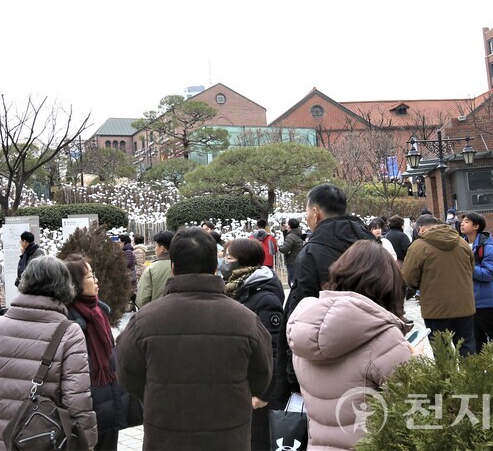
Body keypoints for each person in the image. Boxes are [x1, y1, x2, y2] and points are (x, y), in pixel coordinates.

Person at [116, 228, 272, 450]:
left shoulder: (144, 321)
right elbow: (261, 377)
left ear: (172, 267)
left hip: (166, 434)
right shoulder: (246, 320)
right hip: (229, 436)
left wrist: (157, 392)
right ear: (216, 266)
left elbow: (127, 377)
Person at [0, 256, 98, 450]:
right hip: (40, 440)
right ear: (65, 287)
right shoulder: (68, 332)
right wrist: (87, 441)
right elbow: (77, 399)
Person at [287, 240, 414, 450]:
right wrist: (415, 359)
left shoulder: (304, 328)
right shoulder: (384, 337)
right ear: (387, 283)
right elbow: (413, 401)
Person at [279, 184, 375, 399]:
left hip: (326, 357)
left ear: (315, 212)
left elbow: (301, 312)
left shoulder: (313, 252)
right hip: (372, 353)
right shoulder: (372, 244)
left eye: (306, 212)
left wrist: (292, 373)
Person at [222, 237, 286, 451]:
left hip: (257, 391)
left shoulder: (264, 297)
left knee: (257, 442)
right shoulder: (235, 289)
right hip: (239, 386)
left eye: (229, 258)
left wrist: (264, 394)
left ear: (244, 262)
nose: (224, 263)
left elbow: (274, 350)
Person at [63, 254, 127, 450]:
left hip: (109, 401)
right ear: (75, 284)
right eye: (90, 276)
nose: (96, 280)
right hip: (86, 410)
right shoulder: (69, 322)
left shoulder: (99, 312)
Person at [402, 214, 476, 356]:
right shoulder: (461, 243)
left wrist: (421, 286)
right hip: (464, 306)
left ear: (421, 228)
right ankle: (471, 378)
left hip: (435, 309)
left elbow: (409, 277)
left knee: (443, 355)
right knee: (467, 349)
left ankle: (447, 379)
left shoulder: (418, 247)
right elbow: (470, 269)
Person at [460, 212, 493, 351]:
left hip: (485, 301)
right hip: (467, 302)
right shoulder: (460, 245)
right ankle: (479, 371)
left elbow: (490, 273)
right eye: (462, 221)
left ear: (476, 226)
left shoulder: (487, 247)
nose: (462, 224)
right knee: (475, 340)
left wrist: (468, 268)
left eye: (466, 222)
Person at [135, 230, 173, 308]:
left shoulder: (151, 269)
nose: (155, 249)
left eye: (156, 246)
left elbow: (142, 300)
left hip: (156, 314)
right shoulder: (182, 265)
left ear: (162, 248)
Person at [278, 217, 304, 282]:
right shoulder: (298, 234)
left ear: (289, 226)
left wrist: (279, 247)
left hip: (292, 261)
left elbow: (285, 249)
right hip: (298, 260)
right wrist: (284, 232)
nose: (286, 225)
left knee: (292, 281)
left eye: (287, 224)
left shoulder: (291, 236)